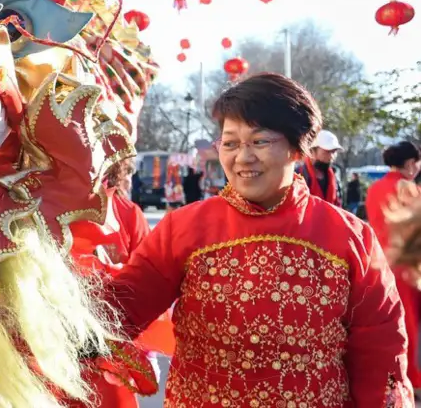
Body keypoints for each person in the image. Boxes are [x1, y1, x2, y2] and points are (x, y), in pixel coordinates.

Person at [108, 73, 414, 406]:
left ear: (297, 149)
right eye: (230, 143)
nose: (243, 156)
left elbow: (381, 348)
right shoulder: (183, 228)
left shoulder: (350, 237)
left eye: (259, 141)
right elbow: (120, 309)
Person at [365, 140, 421, 392]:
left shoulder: (375, 188)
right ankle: (414, 380)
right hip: (408, 266)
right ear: (410, 163)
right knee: (411, 324)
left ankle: (393, 377)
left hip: (381, 264)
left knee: (391, 323)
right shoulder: (408, 188)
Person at [298, 129, 343, 206]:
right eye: (327, 151)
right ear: (312, 151)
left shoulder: (334, 177)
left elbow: (338, 204)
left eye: (334, 152)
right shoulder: (298, 175)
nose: (331, 156)